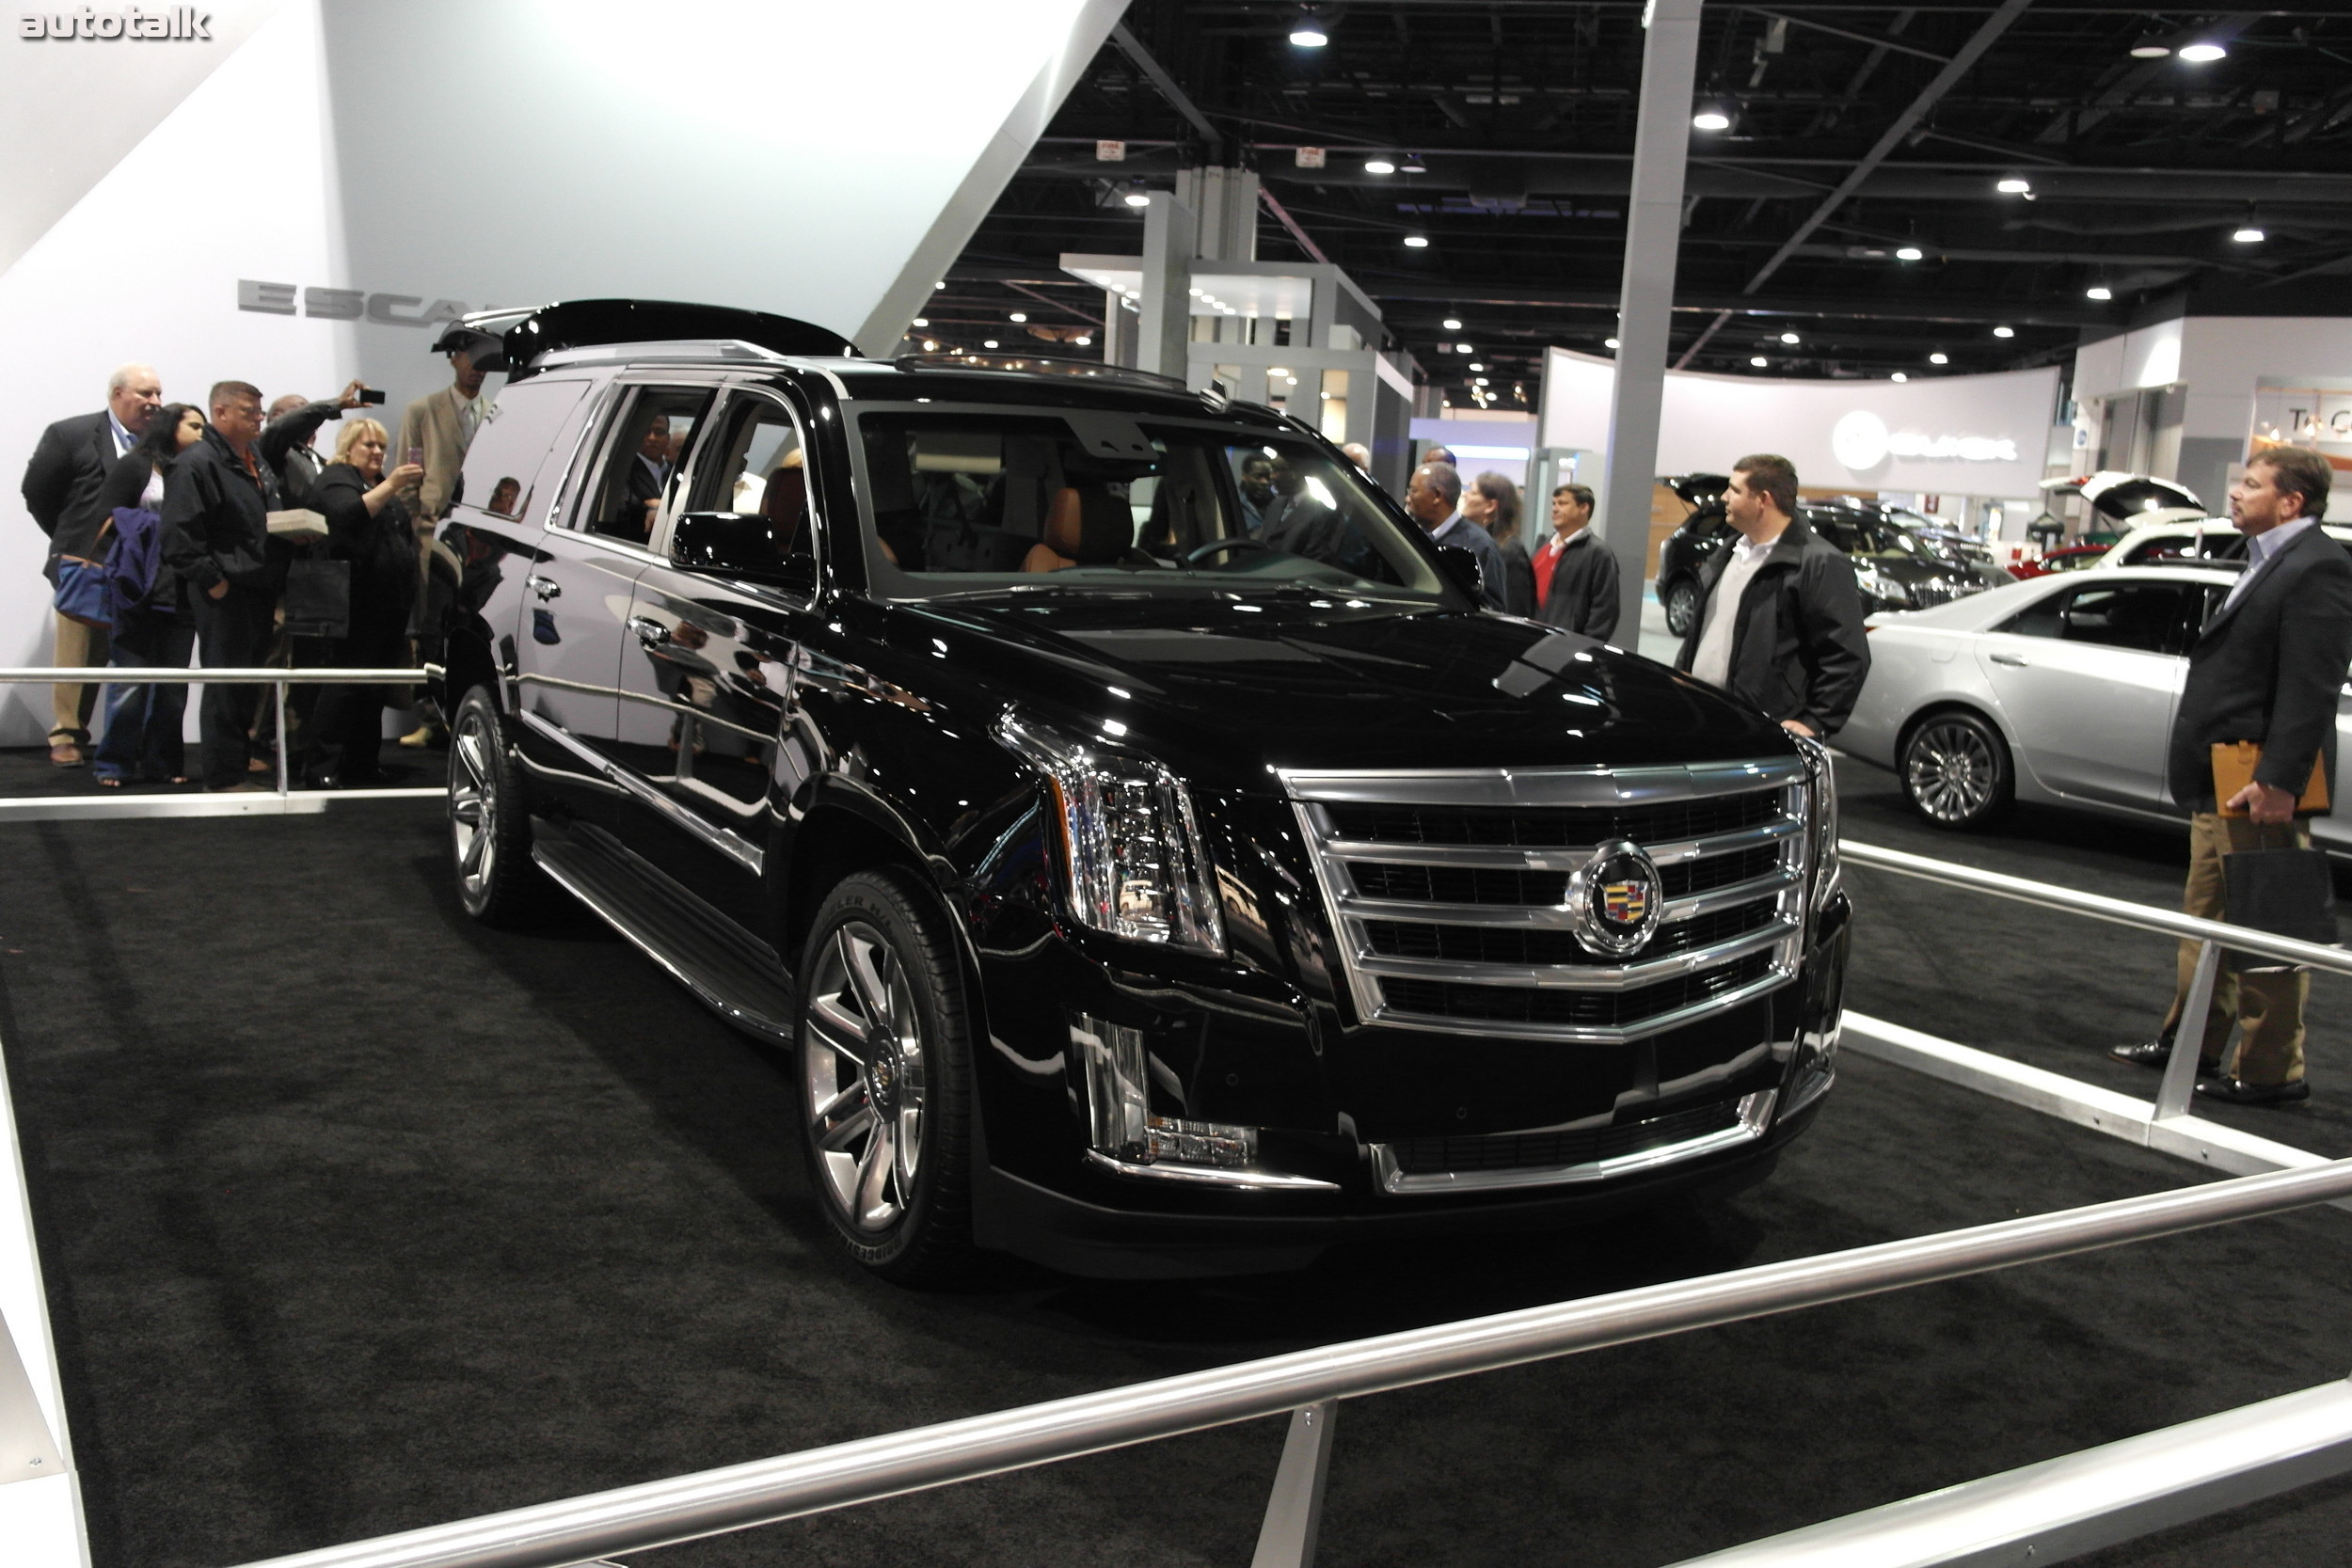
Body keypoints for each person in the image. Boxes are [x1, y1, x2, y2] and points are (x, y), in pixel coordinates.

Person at [2108, 447, 2352, 1106]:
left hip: (2257, 781)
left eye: (2252, 483)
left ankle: (2272, 1071)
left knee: (2268, 927)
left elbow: (2313, 685)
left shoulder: (2319, 565)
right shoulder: (2266, 560)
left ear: (2291, 501)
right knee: (2207, 922)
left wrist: (2280, 779)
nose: (2236, 492)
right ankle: (2191, 1044)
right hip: (2223, 776)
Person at [20, 362, 163, 766]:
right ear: (117, 394)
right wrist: (72, 539)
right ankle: (66, 734)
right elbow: (38, 493)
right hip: (89, 560)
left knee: (138, 655)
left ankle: (133, 740)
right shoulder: (72, 434)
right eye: (145, 393)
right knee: (78, 651)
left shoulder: (163, 443)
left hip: (145, 565)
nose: (155, 401)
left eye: (158, 393)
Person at [1674, 453, 1868, 738]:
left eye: (1735, 490)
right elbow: (1702, 630)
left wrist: (1816, 720)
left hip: (1763, 729)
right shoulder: (1729, 553)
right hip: (1706, 715)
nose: (1724, 497)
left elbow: (1847, 654)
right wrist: (1682, 674)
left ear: (1763, 499)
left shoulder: (1818, 563)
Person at [162, 380, 281, 791]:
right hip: (226, 589)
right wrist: (215, 583)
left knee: (245, 684)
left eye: (260, 411)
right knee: (226, 684)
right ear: (221, 413)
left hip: (256, 585)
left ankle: (237, 762)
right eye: (250, 412)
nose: (259, 419)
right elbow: (178, 537)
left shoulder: (252, 458)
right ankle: (223, 775)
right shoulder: (196, 463)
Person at [303, 420, 426, 787]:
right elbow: (346, 516)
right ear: (348, 447)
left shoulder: (377, 484)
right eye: (368, 445)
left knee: (374, 687)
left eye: (381, 446)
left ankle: (362, 764)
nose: (377, 452)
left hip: (385, 604)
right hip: (352, 601)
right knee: (345, 683)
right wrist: (392, 485)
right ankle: (323, 767)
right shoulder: (336, 478)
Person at [91, 403, 205, 787]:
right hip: (136, 588)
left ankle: (163, 763)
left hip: (182, 590)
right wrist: (160, 527)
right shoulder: (136, 465)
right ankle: (114, 763)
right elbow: (107, 518)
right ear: (171, 427)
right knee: (130, 683)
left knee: (172, 687)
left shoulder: (199, 470)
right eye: (194, 426)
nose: (202, 434)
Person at [1403, 460, 1505, 610]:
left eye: (1413, 491)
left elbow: (1492, 610)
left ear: (1437, 496)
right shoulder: (1411, 538)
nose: (1407, 499)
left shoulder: (1480, 546)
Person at [261, 381, 369, 509]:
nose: (312, 418)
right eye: (302, 409)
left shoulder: (320, 461)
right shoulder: (273, 448)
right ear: (277, 416)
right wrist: (336, 404)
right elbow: (281, 428)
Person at [1534, 483, 1618, 641]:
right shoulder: (1543, 547)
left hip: (1568, 644)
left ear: (1584, 508)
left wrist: (1585, 646)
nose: (1555, 509)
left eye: (1562, 503)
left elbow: (1604, 609)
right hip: (1534, 638)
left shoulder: (1598, 553)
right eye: (1554, 503)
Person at [1463, 471, 1534, 615]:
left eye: (1473, 493)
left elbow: (1514, 609)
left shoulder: (1509, 550)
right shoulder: (1478, 541)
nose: (1465, 495)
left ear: (1490, 506)